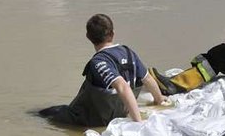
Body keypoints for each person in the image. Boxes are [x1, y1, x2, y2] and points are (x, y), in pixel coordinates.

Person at [39, 14, 168, 127]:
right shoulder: (128, 52)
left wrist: (138, 122)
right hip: (120, 113)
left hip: (90, 120)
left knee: (42, 113)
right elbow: (148, 79)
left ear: (88, 36)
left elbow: (122, 86)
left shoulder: (98, 61)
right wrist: (159, 99)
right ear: (112, 34)